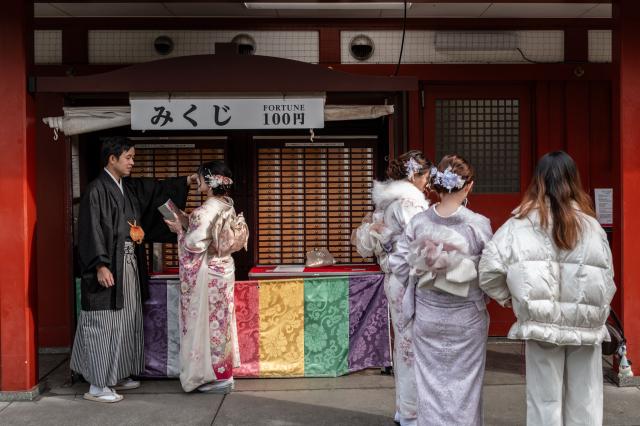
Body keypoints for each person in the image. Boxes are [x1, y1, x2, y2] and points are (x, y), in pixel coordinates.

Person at [479, 151, 615, 426]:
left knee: (543, 401)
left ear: (537, 181)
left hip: (540, 322)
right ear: (573, 181)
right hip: (585, 327)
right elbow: (607, 279)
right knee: (586, 400)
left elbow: (488, 271)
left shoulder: (517, 225)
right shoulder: (592, 227)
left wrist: (515, 300)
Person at [71, 136, 196, 403]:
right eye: (128, 157)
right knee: (104, 323)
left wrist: (185, 182)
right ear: (111, 159)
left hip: (128, 262)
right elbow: (91, 230)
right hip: (107, 266)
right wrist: (100, 265)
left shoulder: (126, 188)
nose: (132, 162)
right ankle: (97, 384)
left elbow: (154, 192)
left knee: (128, 319)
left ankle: (118, 374)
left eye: (133, 157)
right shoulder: (96, 190)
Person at [391, 154, 492, 426]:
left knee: (430, 385)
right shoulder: (477, 224)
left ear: (436, 185)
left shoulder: (420, 222)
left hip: (428, 315)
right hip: (467, 317)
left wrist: (423, 273)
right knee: (466, 386)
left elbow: (399, 263)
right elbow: (491, 273)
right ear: (469, 186)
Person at [352, 150, 431, 426]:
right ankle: (412, 413)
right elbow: (421, 241)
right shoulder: (409, 203)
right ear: (414, 175)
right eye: (425, 177)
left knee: (404, 342)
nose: (427, 183)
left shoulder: (387, 203)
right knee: (412, 344)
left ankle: (404, 408)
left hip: (394, 278)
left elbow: (369, 242)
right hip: (408, 277)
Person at [165, 160, 249, 393]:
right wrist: (186, 219)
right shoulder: (227, 206)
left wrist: (179, 230)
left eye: (201, 177)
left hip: (208, 272)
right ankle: (224, 373)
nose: (198, 180)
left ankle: (210, 375)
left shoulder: (204, 211)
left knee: (205, 325)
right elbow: (206, 232)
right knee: (221, 324)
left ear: (210, 181)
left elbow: (193, 245)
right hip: (224, 269)